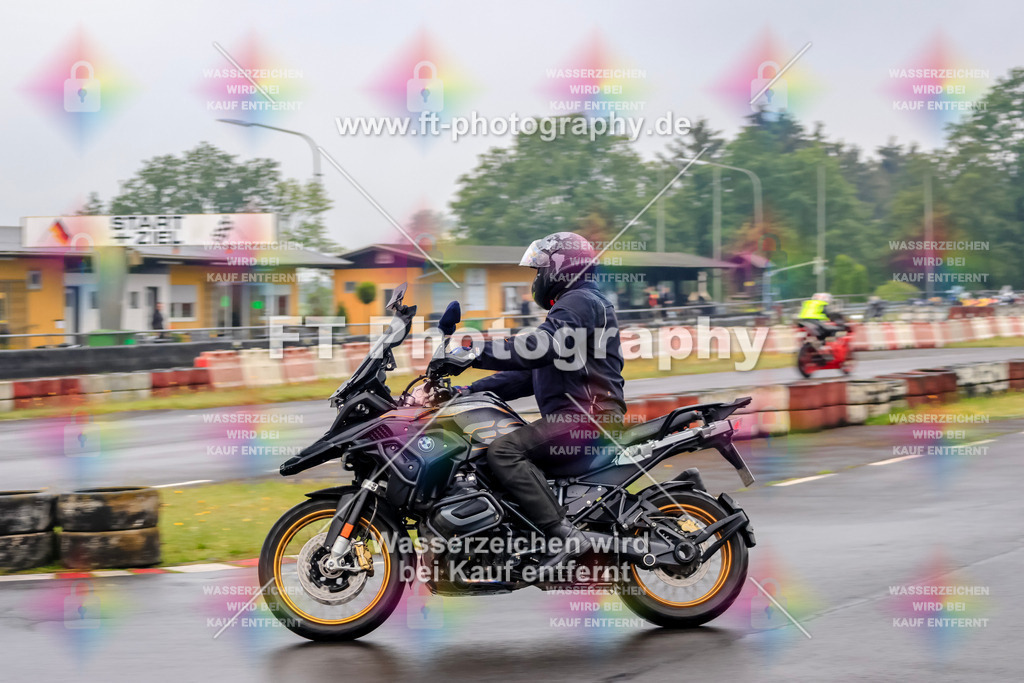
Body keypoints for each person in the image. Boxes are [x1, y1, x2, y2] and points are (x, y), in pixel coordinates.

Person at [432, 232, 626, 569]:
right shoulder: (574, 307)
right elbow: (527, 374)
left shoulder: (581, 302)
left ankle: (563, 536)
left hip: (588, 420)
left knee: (504, 451)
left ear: (561, 267)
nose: (536, 279)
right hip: (576, 418)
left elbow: (539, 347)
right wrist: (465, 391)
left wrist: (473, 350)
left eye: (539, 271)